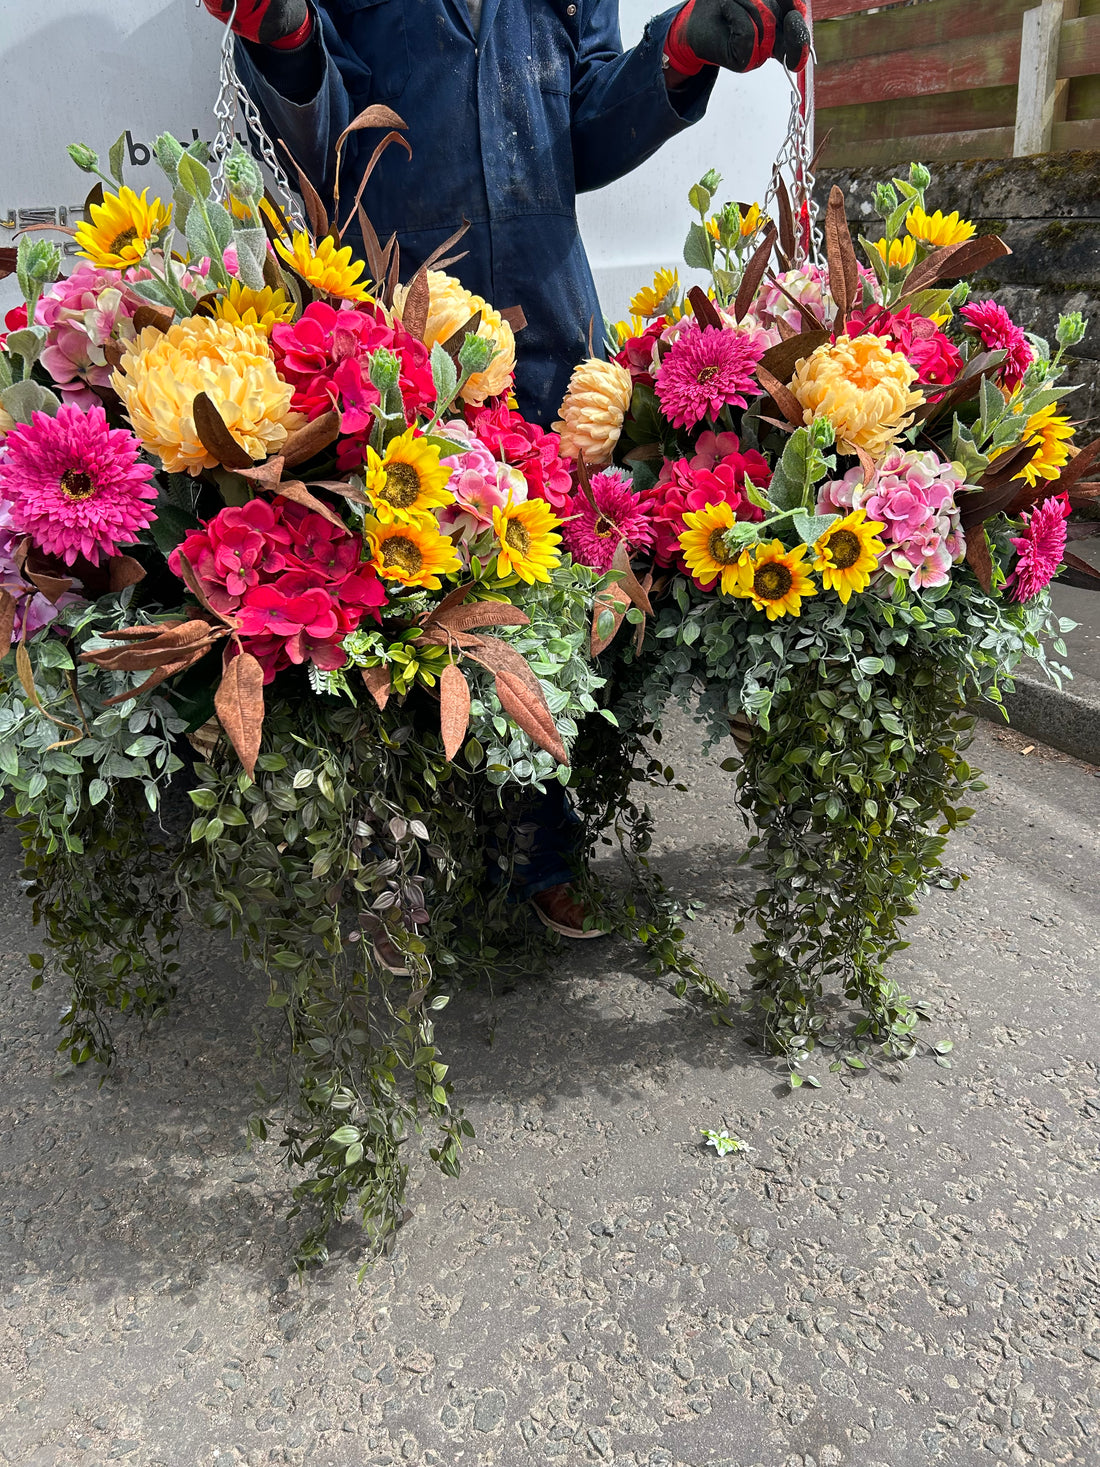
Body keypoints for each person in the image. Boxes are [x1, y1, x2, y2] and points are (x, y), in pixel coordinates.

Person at [199, 0, 809, 939]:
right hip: (400, 325)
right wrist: (285, 39)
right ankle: (406, 860)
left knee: (548, 602)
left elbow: (588, 132)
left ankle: (542, 853)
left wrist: (679, 50)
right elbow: (320, 135)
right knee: (398, 599)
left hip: (549, 332)